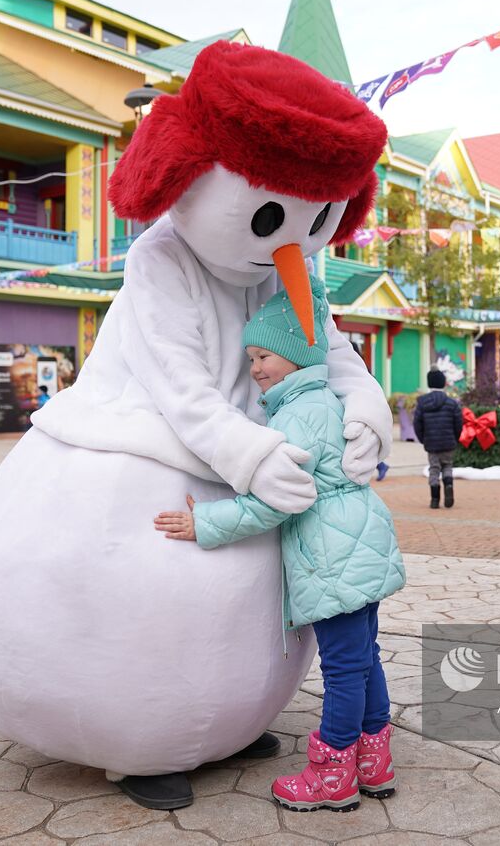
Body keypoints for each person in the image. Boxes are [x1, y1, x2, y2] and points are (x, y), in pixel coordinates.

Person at [0, 41, 394, 811]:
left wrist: (368, 407)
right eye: (270, 214)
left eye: (319, 217)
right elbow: (179, 384)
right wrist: (246, 451)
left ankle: (235, 721)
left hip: (264, 474)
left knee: (257, 600)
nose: (293, 238)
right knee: (141, 590)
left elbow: (332, 347)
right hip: (147, 448)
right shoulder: (161, 263)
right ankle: (137, 743)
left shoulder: (297, 267)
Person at [154, 276, 405, 813]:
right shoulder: (323, 399)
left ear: (296, 354)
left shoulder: (299, 412)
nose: (256, 368)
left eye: (265, 354)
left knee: (341, 665)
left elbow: (279, 496)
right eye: (250, 358)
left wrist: (207, 524)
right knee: (363, 657)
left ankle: (332, 773)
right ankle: (373, 761)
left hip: (331, 550)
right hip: (358, 540)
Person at [412, 368, 463, 509]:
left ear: (429, 383)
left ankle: (435, 499)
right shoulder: (452, 403)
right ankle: (449, 485)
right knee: (447, 466)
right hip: (448, 442)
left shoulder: (422, 402)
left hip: (431, 443)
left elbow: (417, 423)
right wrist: (455, 438)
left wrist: (423, 439)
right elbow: (459, 423)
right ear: (444, 383)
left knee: (434, 469)